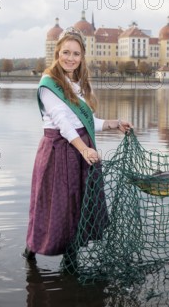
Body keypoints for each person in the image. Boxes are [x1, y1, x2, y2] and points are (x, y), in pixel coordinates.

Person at [24, 27, 132, 267]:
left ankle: (71, 258)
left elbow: (85, 121)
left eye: (75, 53)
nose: (70, 58)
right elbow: (63, 123)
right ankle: (32, 249)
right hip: (58, 152)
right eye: (66, 52)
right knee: (55, 206)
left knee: (77, 207)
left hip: (79, 148)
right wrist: (84, 150)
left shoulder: (77, 82)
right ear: (57, 53)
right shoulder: (49, 83)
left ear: (82, 56)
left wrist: (114, 124)